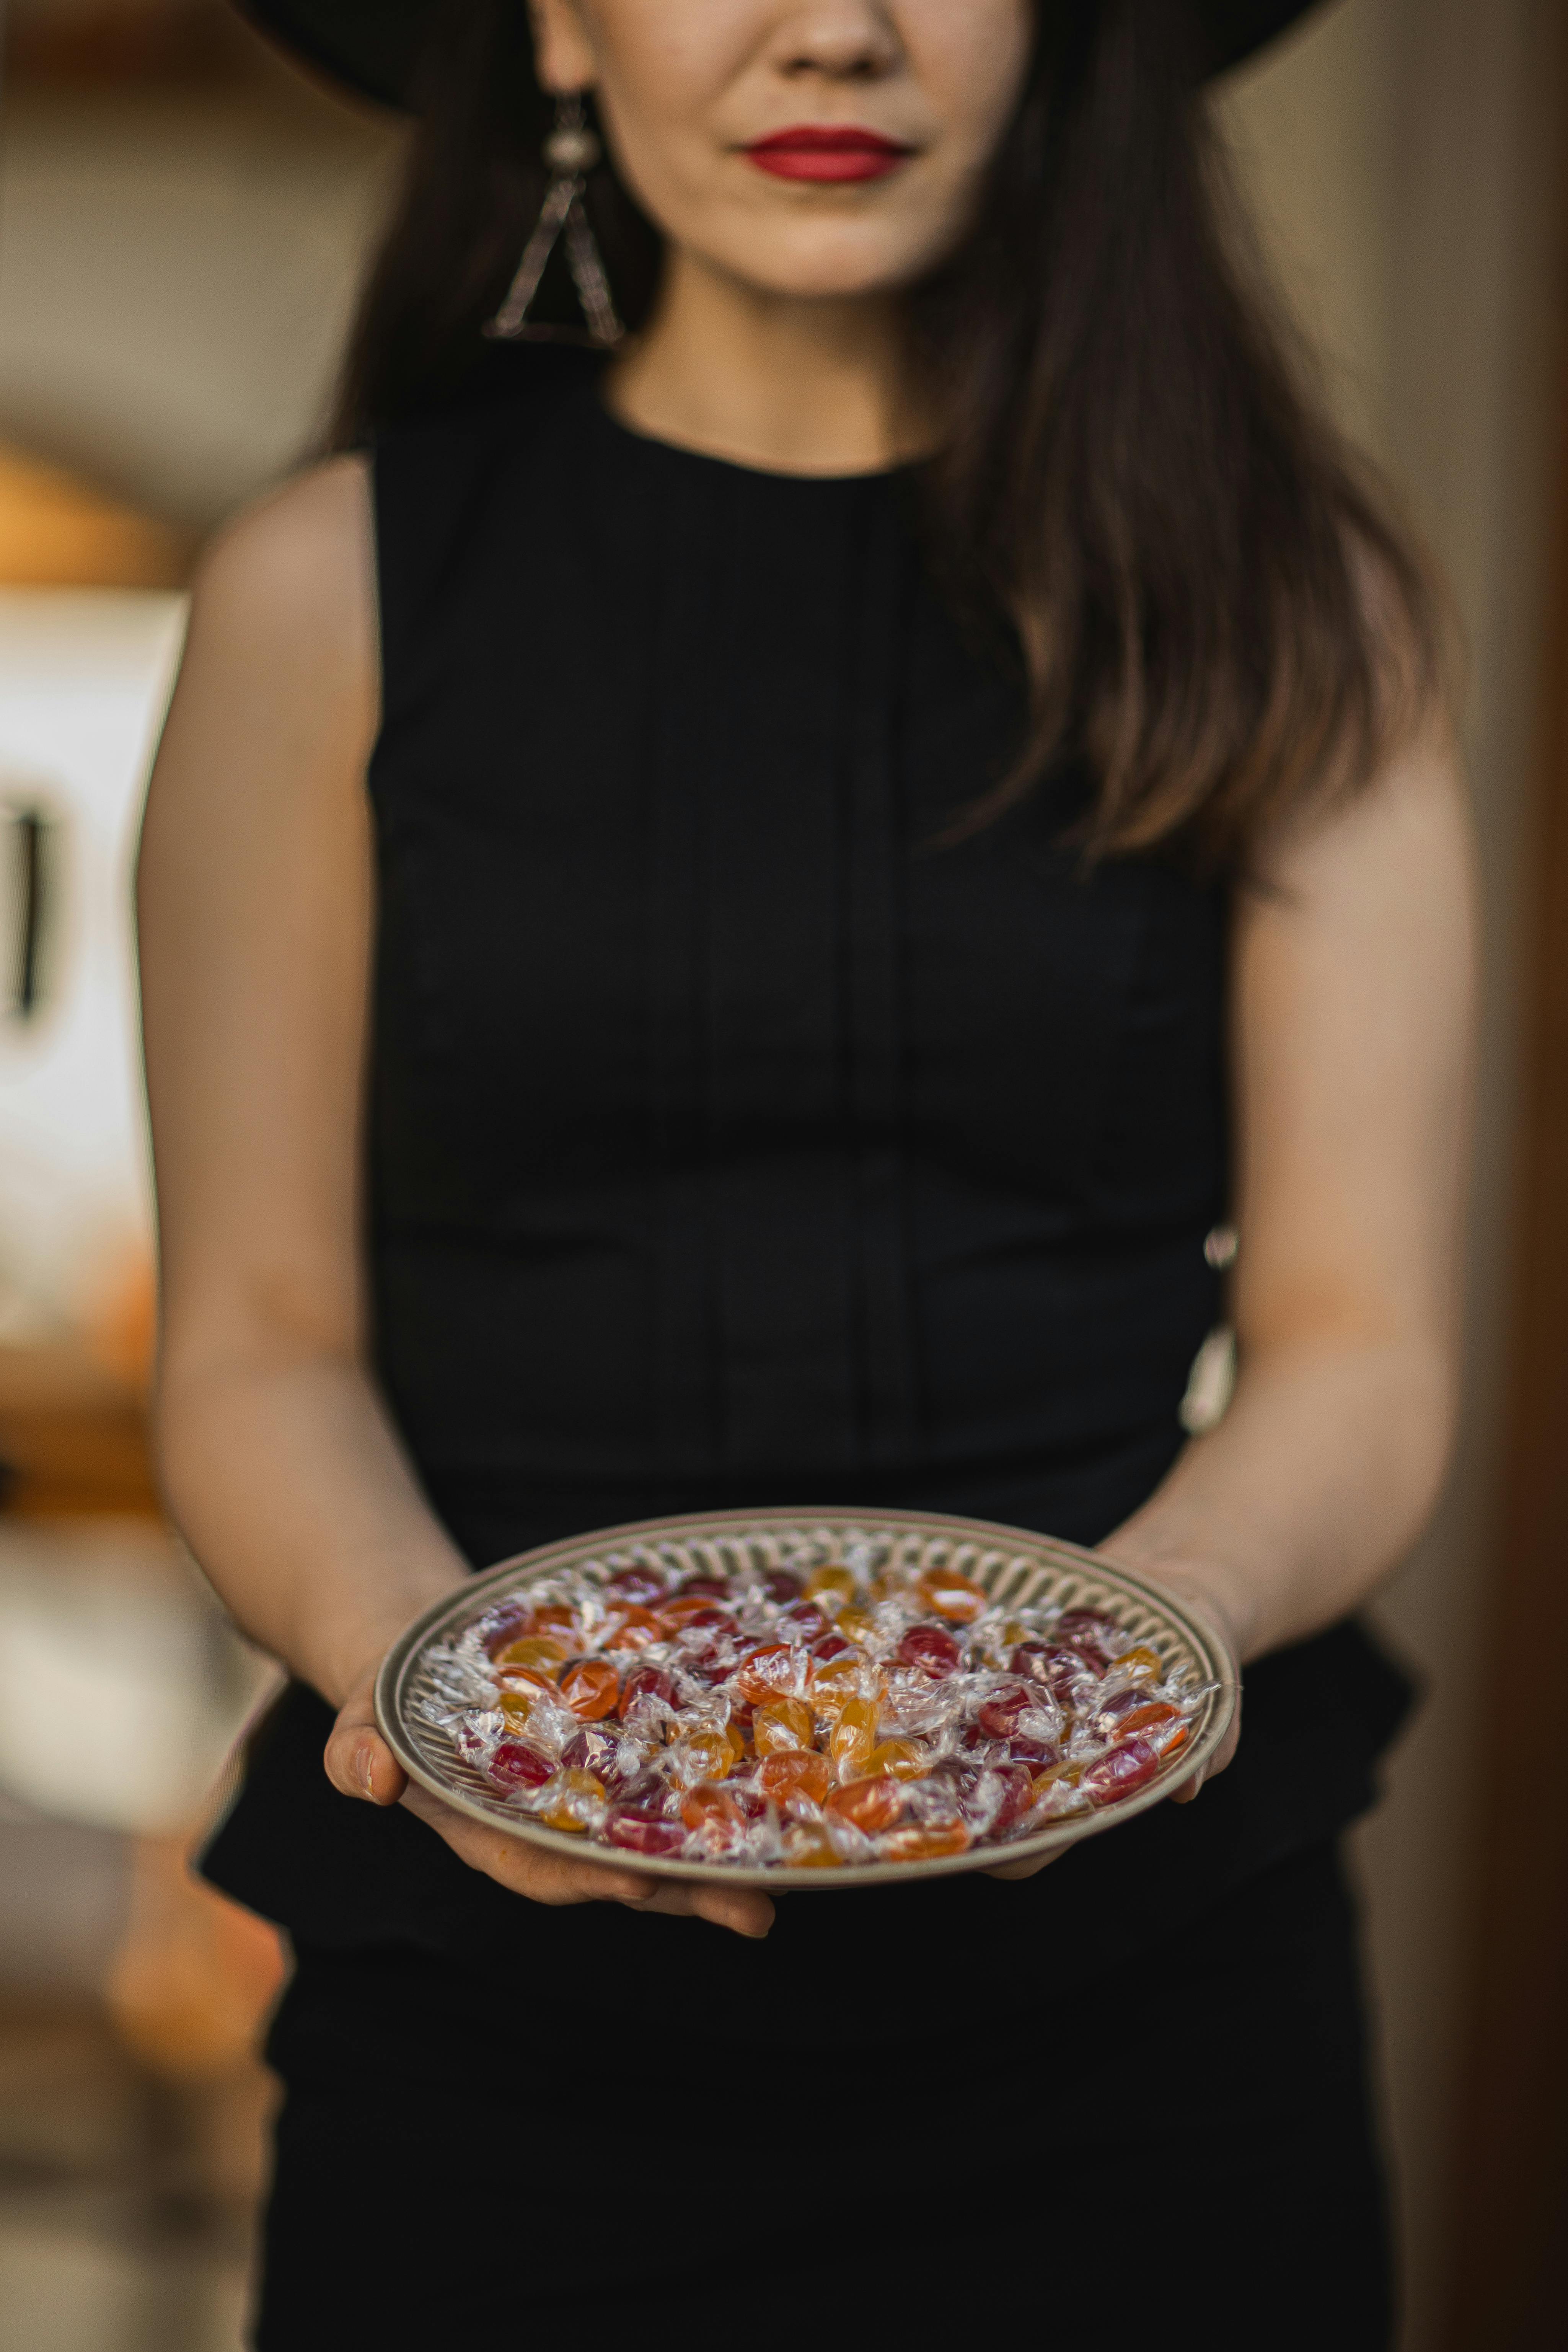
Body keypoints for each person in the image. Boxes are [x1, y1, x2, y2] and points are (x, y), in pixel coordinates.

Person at [137, 2, 1473, 2344]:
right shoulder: (320, 597)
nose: (828, 22)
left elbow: (1358, 1340)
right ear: (556, 24)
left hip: (1147, 2023)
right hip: (490, 2031)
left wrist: (1099, 1677)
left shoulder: (1290, 601)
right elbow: (259, 1336)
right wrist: (439, 1706)